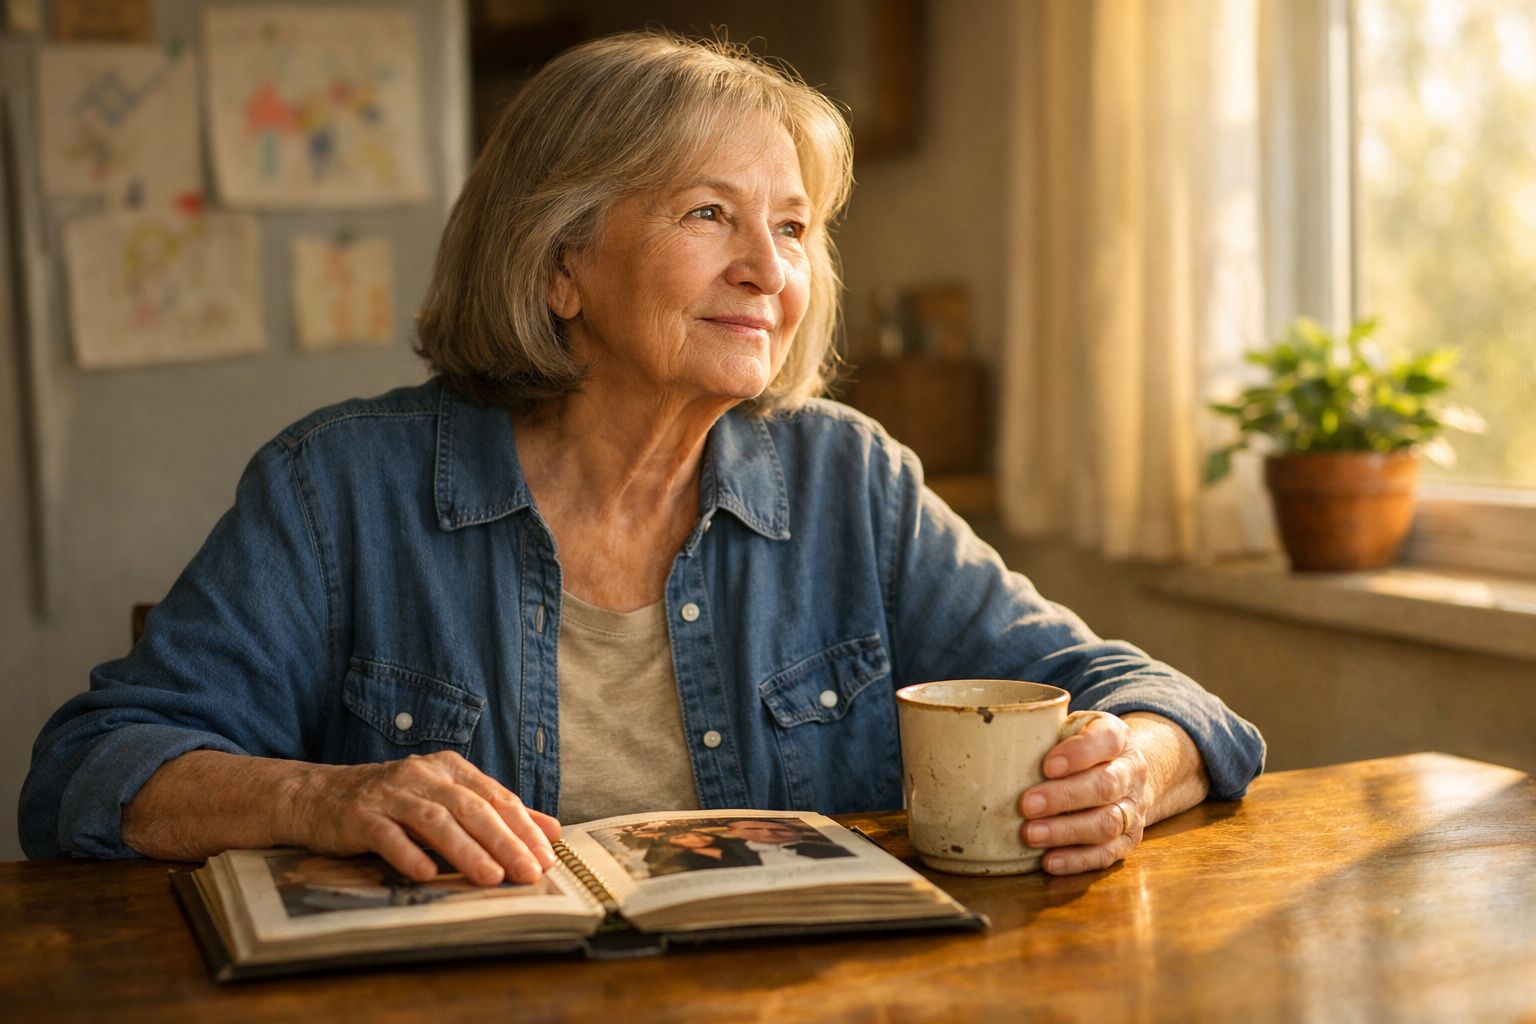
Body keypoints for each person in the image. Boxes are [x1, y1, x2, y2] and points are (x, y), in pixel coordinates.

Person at [19, 32, 1264, 887]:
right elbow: (90, 768)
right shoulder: (335, 489)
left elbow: (1159, 698)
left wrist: (1134, 763)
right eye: (707, 214)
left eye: (791, 228)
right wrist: (321, 800)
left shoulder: (850, 482)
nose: (768, 271)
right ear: (560, 264)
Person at [723, 820, 854, 865]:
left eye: (780, 830)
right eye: (753, 829)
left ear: (799, 834)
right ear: (732, 832)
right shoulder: (727, 853)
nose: (768, 833)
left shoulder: (834, 850)